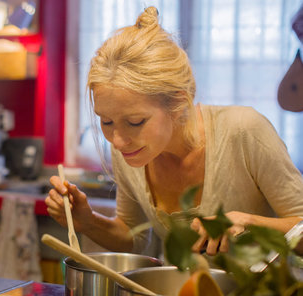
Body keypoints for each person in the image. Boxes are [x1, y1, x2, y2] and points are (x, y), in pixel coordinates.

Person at [45, 6, 303, 259]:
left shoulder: (245, 131)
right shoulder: (130, 148)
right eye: (107, 122)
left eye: (136, 122)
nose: (119, 140)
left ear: (178, 104)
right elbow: (132, 237)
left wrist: (250, 223)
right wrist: (87, 221)